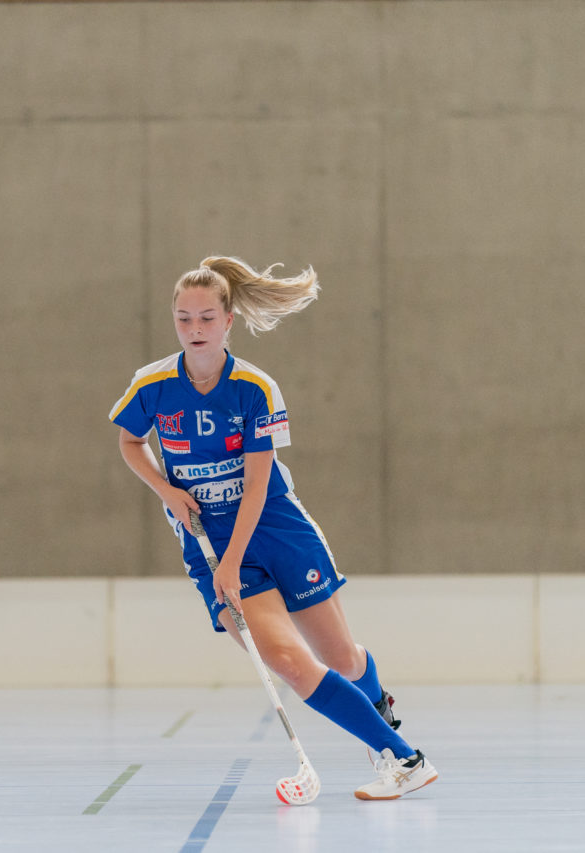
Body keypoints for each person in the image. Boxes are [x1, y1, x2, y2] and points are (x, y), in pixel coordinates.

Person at [109, 256, 437, 800]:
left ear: (229, 320)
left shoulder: (256, 388)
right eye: (184, 319)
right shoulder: (153, 384)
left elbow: (258, 488)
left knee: (342, 659)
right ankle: (404, 759)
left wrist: (233, 562)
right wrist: (166, 489)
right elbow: (129, 441)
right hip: (207, 539)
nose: (195, 330)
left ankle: (382, 719)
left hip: (274, 526)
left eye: (207, 318)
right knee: (286, 660)